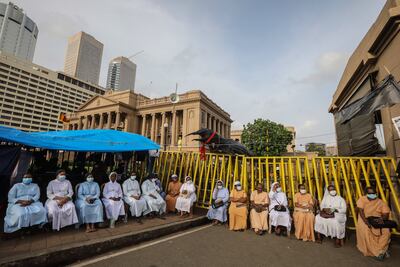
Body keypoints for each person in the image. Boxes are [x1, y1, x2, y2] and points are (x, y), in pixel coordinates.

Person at [356, 187, 391, 261]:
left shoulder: (380, 202)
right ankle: (379, 252)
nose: (372, 195)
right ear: (366, 194)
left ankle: (380, 250)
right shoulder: (362, 199)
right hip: (364, 219)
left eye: (374, 193)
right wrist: (367, 222)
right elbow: (361, 212)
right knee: (366, 230)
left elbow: (386, 214)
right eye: (370, 193)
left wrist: (380, 220)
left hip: (377, 219)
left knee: (386, 231)